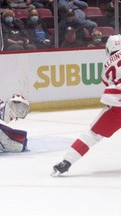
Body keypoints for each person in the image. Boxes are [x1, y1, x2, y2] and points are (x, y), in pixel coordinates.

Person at [52, 34, 121, 176]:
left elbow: (107, 82)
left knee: (92, 134)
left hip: (117, 104)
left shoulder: (106, 65)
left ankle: (66, 162)